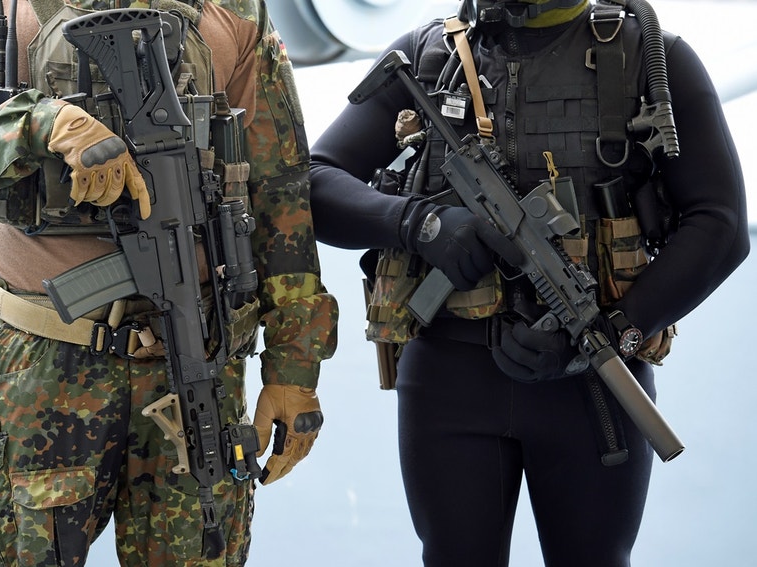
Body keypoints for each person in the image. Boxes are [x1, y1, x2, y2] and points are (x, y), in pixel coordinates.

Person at [0, 0, 338, 565]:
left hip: (196, 357)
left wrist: (294, 367)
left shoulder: (235, 10)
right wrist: (42, 125)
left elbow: (281, 189)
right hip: (42, 365)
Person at [309, 0, 749, 565]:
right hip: (449, 380)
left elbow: (720, 223)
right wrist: (420, 224)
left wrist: (614, 331)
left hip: (594, 382)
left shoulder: (645, 54)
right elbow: (315, 181)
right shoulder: (430, 57)